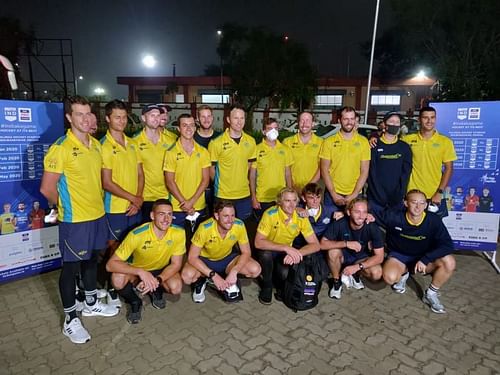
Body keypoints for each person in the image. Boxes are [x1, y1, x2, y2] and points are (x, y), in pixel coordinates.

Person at [40, 95, 118, 344]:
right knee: (71, 267)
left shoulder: (96, 145)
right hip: (75, 221)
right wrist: (64, 210)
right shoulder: (61, 148)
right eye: (80, 114)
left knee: (91, 261)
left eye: (88, 113)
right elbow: (47, 189)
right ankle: (70, 319)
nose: (86, 119)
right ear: (69, 117)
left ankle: (91, 302)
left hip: (97, 216)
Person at [106, 199, 185, 324]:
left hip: (161, 270)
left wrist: (157, 280)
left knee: (176, 288)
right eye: (161, 214)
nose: (166, 219)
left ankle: (155, 289)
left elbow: (176, 264)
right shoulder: (137, 235)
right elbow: (110, 265)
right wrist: (140, 272)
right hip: (137, 270)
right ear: (152, 216)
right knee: (117, 279)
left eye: (169, 214)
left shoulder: (179, 233)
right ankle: (134, 301)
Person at [100, 99, 145, 307]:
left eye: (124, 117)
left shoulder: (133, 142)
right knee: (115, 249)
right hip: (115, 208)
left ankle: (128, 281)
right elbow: (106, 182)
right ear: (108, 118)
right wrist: (132, 198)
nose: (121, 121)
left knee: (133, 247)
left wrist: (138, 199)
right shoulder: (103, 146)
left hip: (134, 206)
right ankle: (112, 289)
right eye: (117, 117)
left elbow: (140, 173)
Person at [382, 189, 455, 314]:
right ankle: (404, 274)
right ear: (405, 203)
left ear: (426, 205)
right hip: (400, 256)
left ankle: (431, 293)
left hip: (423, 258)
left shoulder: (433, 220)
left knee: (449, 262)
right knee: (389, 277)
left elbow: (448, 245)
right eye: (414, 202)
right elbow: (372, 217)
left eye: (422, 203)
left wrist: (425, 259)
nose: (418, 206)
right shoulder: (394, 216)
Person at [181, 200, 261, 303]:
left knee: (255, 269)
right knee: (187, 276)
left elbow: (246, 252)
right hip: (205, 260)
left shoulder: (239, 225)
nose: (230, 220)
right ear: (217, 216)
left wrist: (235, 271)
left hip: (227, 259)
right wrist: (213, 275)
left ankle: (227, 278)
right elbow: (192, 257)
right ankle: (204, 279)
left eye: (232, 215)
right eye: (226, 216)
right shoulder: (205, 228)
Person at [254, 188, 320, 304]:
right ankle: (267, 285)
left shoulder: (301, 217)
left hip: (284, 252)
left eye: (294, 201)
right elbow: (258, 242)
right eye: (287, 201)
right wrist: (286, 248)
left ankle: (280, 285)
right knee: (265, 255)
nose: (291, 205)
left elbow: (315, 245)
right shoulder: (270, 214)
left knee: (285, 273)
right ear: (279, 201)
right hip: (269, 249)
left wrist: (297, 253)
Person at [320, 198, 384, 299]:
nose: (361, 216)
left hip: (360, 258)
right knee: (332, 251)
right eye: (357, 212)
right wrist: (346, 243)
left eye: (364, 212)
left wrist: (358, 267)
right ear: (349, 212)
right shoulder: (340, 223)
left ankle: (355, 275)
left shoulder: (372, 227)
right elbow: (322, 244)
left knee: (377, 273)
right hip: (343, 257)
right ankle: (337, 282)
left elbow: (380, 257)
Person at [164, 114, 210, 240]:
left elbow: (205, 180)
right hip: (177, 206)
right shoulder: (171, 152)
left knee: (196, 242)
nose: (188, 129)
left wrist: (191, 202)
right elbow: (169, 181)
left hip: (198, 206)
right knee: (176, 242)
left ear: (195, 128)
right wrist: (184, 203)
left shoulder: (203, 151)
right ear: (178, 129)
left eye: (191, 125)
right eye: (184, 125)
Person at [403, 106, 457, 212]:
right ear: (419, 120)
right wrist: (374, 139)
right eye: (425, 118)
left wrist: (439, 192)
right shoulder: (407, 139)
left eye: (432, 117)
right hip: (411, 194)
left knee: (433, 228)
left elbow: (449, 169)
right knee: (411, 227)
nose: (429, 121)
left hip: (433, 195)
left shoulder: (445, 142)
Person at [208, 104, 256, 221]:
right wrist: (222, 184)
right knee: (223, 229)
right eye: (236, 118)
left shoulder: (251, 141)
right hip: (223, 196)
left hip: (244, 195)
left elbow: (249, 167)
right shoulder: (216, 143)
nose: (239, 122)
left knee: (242, 229)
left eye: (242, 118)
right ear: (228, 119)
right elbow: (211, 169)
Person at [320, 106, 370, 211]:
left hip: (355, 194)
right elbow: (324, 170)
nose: (349, 122)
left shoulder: (363, 142)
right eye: (346, 119)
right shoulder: (328, 142)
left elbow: (364, 171)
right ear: (339, 120)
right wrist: (333, 194)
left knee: (353, 226)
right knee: (331, 226)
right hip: (332, 194)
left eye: (352, 119)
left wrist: (354, 194)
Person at [367, 111, 412, 225]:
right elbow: (371, 172)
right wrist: (379, 195)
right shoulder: (373, 145)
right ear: (384, 124)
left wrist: (399, 195)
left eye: (397, 122)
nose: (394, 124)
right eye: (391, 121)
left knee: (394, 232)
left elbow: (406, 173)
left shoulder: (404, 147)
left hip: (396, 201)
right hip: (376, 199)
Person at [133, 104, 177, 222]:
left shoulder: (171, 141)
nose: (156, 118)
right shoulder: (134, 142)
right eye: (152, 115)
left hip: (166, 195)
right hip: (145, 197)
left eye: (158, 115)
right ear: (143, 118)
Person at [249, 118, 294, 219]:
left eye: (275, 128)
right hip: (262, 198)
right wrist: (253, 197)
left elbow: (288, 173)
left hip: (280, 198)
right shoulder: (256, 149)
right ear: (263, 131)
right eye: (269, 128)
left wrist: (290, 195)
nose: (273, 131)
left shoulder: (285, 149)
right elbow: (252, 176)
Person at [283, 111, 323, 193]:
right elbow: (285, 168)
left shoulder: (321, 143)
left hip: (313, 190)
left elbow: (321, 168)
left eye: (308, 120)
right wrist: (292, 186)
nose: (304, 124)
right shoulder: (287, 142)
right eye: (302, 121)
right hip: (292, 190)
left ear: (313, 123)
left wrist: (308, 187)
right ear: (298, 123)